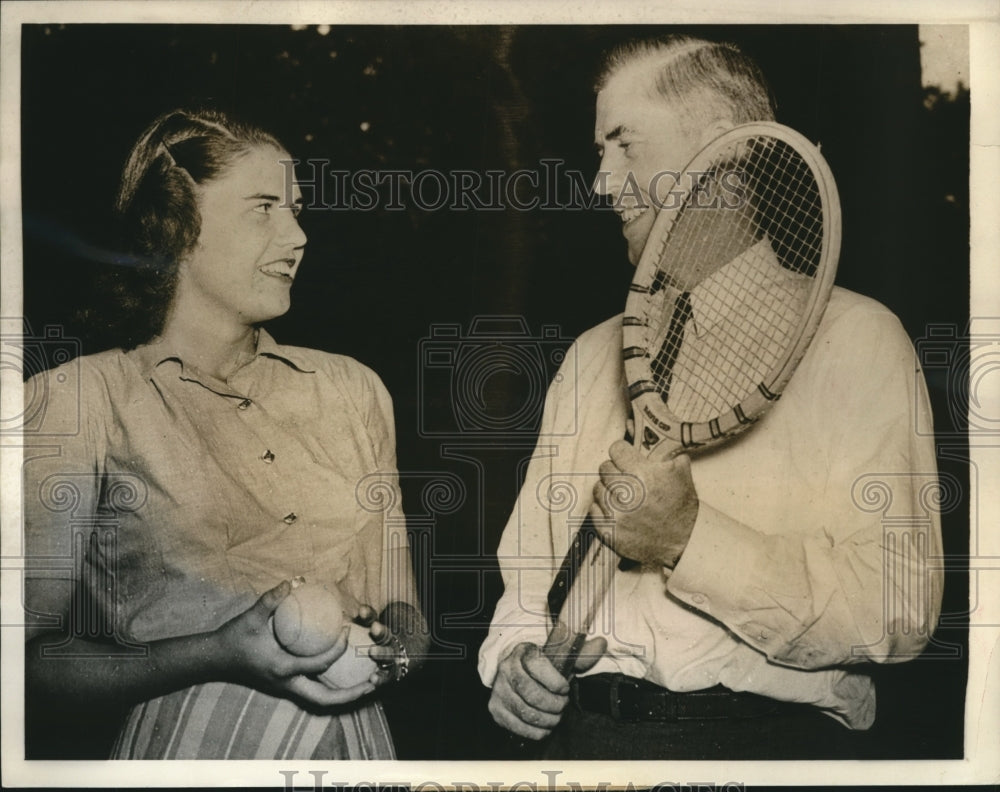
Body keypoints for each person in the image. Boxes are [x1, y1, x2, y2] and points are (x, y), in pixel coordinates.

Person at [479, 35, 944, 760]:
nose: (602, 182)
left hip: (765, 750)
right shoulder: (586, 358)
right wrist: (511, 661)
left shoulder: (858, 339)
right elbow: (525, 583)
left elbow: (899, 609)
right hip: (585, 747)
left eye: (624, 144)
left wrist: (686, 541)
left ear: (722, 159)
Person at [23, 108, 427, 760]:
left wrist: (393, 655)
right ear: (177, 227)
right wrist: (216, 653)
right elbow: (26, 663)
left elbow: (403, 611)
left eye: (296, 210)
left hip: (360, 747)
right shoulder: (76, 400)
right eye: (263, 208)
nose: (297, 236)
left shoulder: (353, 389)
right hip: (191, 748)